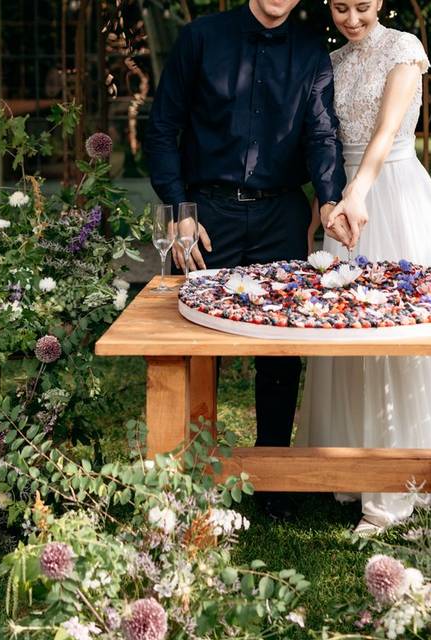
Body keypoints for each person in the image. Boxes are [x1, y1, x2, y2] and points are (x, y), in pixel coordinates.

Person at [145, 0, 352, 519]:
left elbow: (322, 134)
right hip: (205, 217)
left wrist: (329, 198)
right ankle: (191, 472)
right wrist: (179, 210)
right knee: (195, 346)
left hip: (280, 217)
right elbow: (163, 126)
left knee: (280, 355)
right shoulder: (200, 39)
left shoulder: (311, 52)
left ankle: (274, 479)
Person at [296, 0, 431, 536]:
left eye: (362, 7)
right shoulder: (330, 63)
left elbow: (383, 135)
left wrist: (359, 191)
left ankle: (394, 488)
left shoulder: (405, 49)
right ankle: (343, 467)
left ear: (380, 2)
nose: (352, 19)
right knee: (340, 327)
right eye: (340, 8)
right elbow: (326, 140)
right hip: (343, 208)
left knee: (393, 328)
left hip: (393, 194)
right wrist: (326, 200)